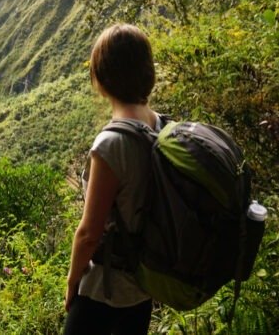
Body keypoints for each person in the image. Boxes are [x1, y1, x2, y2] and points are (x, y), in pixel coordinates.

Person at [63, 24, 158, 335]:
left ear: (102, 78)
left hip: (104, 291)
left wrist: (72, 279)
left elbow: (90, 233)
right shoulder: (158, 124)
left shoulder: (111, 143)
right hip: (142, 287)